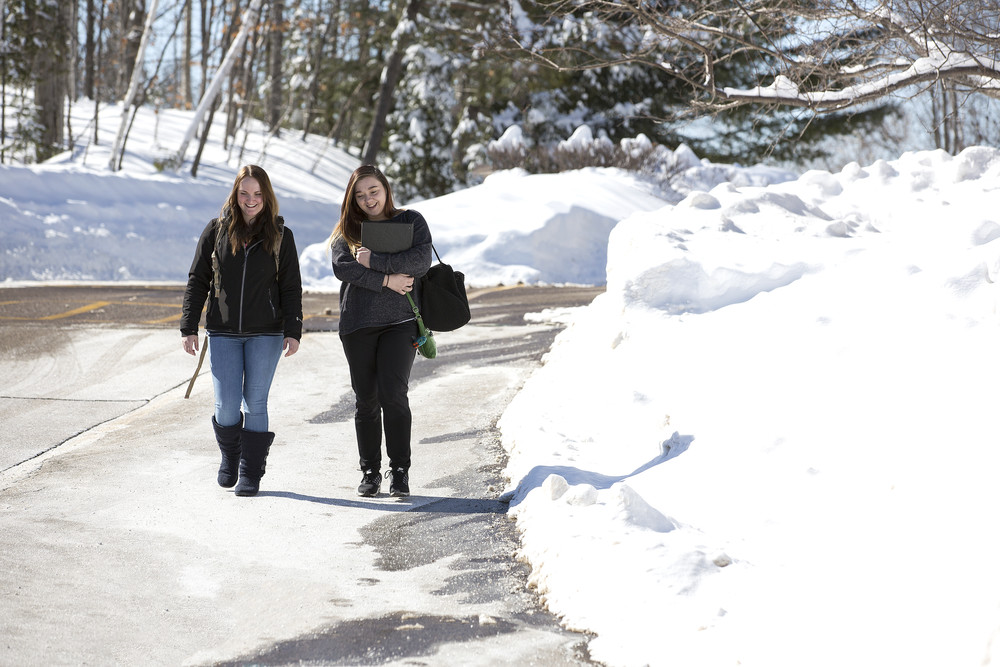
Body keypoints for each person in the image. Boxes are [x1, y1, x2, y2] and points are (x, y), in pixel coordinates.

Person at [180, 165, 303, 497]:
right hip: (222, 331)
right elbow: (198, 280)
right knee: (226, 404)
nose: (251, 200)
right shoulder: (216, 230)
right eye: (244, 193)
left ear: (267, 196)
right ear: (235, 194)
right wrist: (188, 326)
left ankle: (251, 471)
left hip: (267, 332)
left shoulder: (281, 235)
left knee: (256, 402)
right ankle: (230, 455)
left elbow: (291, 287)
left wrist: (293, 329)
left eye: (258, 194)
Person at [329, 165, 431, 497]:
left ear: (385, 189)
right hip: (357, 324)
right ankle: (370, 472)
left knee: (393, 394)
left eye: (373, 191)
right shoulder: (347, 229)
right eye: (360, 195)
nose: (368, 199)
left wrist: (375, 262)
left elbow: (420, 262)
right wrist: (388, 279)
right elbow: (343, 268)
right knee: (366, 399)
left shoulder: (410, 221)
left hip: (401, 322)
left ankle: (399, 470)